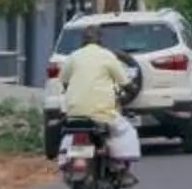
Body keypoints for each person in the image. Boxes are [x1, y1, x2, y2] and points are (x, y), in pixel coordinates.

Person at [53, 32, 142, 177]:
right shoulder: (107, 56)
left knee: (68, 137)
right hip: (102, 113)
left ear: (82, 42)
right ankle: (121, 167)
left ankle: (67, 161)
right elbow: (125, 82)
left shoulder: (73, 56)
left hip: (75, 112)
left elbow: (63, 81)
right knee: (125, 132)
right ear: (101, 41)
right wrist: (131, 90)